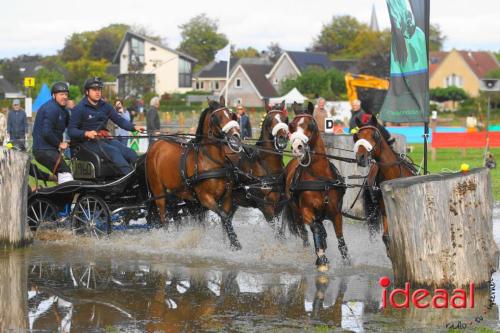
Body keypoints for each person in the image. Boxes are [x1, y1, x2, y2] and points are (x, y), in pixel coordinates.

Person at [68, 77, 145, 175]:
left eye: (99, 90)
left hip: (104, 139)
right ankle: (130, 179)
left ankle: (141, 177)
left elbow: (119, 120)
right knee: (114, 152)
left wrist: (134, 127)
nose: (97, 92)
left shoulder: (106, 106)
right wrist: (86, 133)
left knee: (131, 153)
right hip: (86, 143)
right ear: (87, 92)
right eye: (94, 90)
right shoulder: (79, 108)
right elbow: (71, 131)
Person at [32, 82, 74, 183]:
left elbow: (72, 127)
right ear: (53, 95)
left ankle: (61, 197)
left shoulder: (64, 111)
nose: (64, 97)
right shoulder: (50, 108)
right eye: (61, 94)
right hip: (43, 150)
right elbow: (46, 132)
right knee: (66, 174)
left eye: (66, 94)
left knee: (65, 176)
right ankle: (62, 199)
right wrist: (60, 144)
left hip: (51, 149)